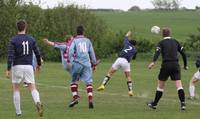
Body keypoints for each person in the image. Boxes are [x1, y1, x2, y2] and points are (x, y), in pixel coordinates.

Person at [6, 20, 43, 116]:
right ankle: (37, 102)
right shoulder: (31, 39)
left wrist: (8, 69)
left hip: (17, 66)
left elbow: (10, 55)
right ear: (25, 27)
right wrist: (39, 64)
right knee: (32, 87)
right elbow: (37, 53)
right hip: (28, 66)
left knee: (16, 88)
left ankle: (18, 112)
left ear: (17, 28)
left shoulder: (13, 40)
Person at [147, 27, 188, 111]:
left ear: (162, 34)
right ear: (170, 33)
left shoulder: (161, 43)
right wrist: (185, 65)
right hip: (175, 65)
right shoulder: (175, 41)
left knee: (161, 86)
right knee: (179, 85)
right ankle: (183, 104)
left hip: (166, 65)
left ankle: (154, 104)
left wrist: (153, 62)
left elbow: (157, 52)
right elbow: (183, 53)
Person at [97, 31, 137, 97]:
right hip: (126, 62)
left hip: (119, 59)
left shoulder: (127, 44)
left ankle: (102, 85)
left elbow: (126, 37)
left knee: (110, 73)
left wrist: (128, 34)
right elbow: (134, 58)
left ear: (130, 42)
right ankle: (130, 91)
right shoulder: (135, 49)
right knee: (128, 76)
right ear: (135, 45)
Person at [68, 25, 97, 109]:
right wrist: (94, 63)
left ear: (76, 32)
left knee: (74, 81)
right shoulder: (88, 41)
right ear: (83, 32)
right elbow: (91, 52)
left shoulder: (74, 40)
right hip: (87, 64)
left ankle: (75, 96)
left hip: (77, 63)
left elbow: (70, 51)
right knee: (89, 82)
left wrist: (71, 61)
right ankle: (90, 99)